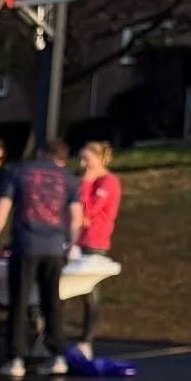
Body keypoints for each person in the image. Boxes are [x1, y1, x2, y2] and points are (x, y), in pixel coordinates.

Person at [0, 136, 82, 379]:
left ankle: (16, 357)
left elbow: (3, 206)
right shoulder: (69, 180)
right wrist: (71, 245)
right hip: (54, 247)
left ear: (40, 154)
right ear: (61, 159)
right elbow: (76, 217)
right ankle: (57, 355)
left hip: (25, 245)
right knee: (52, 301)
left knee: (19, 301)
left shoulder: (18, 172)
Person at [75, 141, 121, 360]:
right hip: (78, 240)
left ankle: (87, 339)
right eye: (81, 159)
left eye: (87, 159)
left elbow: (89, 209)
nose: (83, 164)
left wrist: (85, 183)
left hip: (95, 241)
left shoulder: (107, 182)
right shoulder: (87, 182)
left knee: (89, 292)